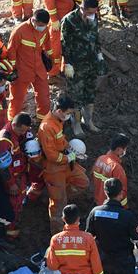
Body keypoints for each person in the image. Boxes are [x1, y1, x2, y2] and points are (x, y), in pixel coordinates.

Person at [86, 177, 138, 274]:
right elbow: (136, 238)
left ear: (105, 192)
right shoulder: (127, 216)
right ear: (121, 194)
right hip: (124, 261)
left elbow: (89, 236)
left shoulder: (95, 213)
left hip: (103, 261)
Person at [39, 96, 89, 231]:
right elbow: (50, 155)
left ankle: (60, 196)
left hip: (65, 162)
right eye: (68, 113)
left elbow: (61, 140)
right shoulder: (47, 127)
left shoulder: (58, 121)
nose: (69, 116)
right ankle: (57, 234)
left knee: (82, 182)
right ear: (60, 111)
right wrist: (69, 157)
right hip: (54, 167)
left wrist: (72, 150)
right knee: (58, 205)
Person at [61, 0, 107, 136]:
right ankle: (76, 125)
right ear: (83, 9)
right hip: (76, 65)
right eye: (90, 12)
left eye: (94, 12)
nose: (93, 15)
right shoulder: (69, 20)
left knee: (90, 94)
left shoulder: (93, 18)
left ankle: (88, 121)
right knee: (76, 95)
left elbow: (96, 38)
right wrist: (68, 63)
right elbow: (64, 43)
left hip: (91, 63)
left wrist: (99, 55)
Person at [5, 9, 52, 121]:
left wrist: (50, 59)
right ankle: (12, 124)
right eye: (40, 25)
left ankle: (43, 122)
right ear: (33, 20)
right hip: (22, 71)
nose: (42, 28)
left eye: (44, 25)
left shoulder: (44, 29)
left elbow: (47, 43)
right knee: (17, 99)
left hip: (39, 70)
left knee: (44, 98)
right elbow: (11, 51)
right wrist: (12, 70)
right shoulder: (19, 31)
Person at [42, 0, 82, 78]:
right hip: (57, 16)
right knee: (55, 46)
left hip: (69, 13)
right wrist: (54, 19)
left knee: (68, 43)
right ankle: (52, 74)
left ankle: (64, 69)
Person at [0, 114, 32, 239]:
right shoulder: (4, 141)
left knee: (19, 202)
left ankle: (16, 223)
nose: (23, 133)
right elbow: (3, 166)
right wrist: (11, 183)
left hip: (20, 175)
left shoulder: (18, 132)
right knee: (13, 205)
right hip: (12, 179)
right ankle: (11, 234)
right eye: (21, 130)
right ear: (15, 125)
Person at [92, 133, 130, 206]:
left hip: (97, 203)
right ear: (118, 149)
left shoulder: (100, 159)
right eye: (124, 148)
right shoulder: (117, 168)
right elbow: (122, 193)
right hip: (110, 207)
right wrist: (124, 209)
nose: (125, 151)